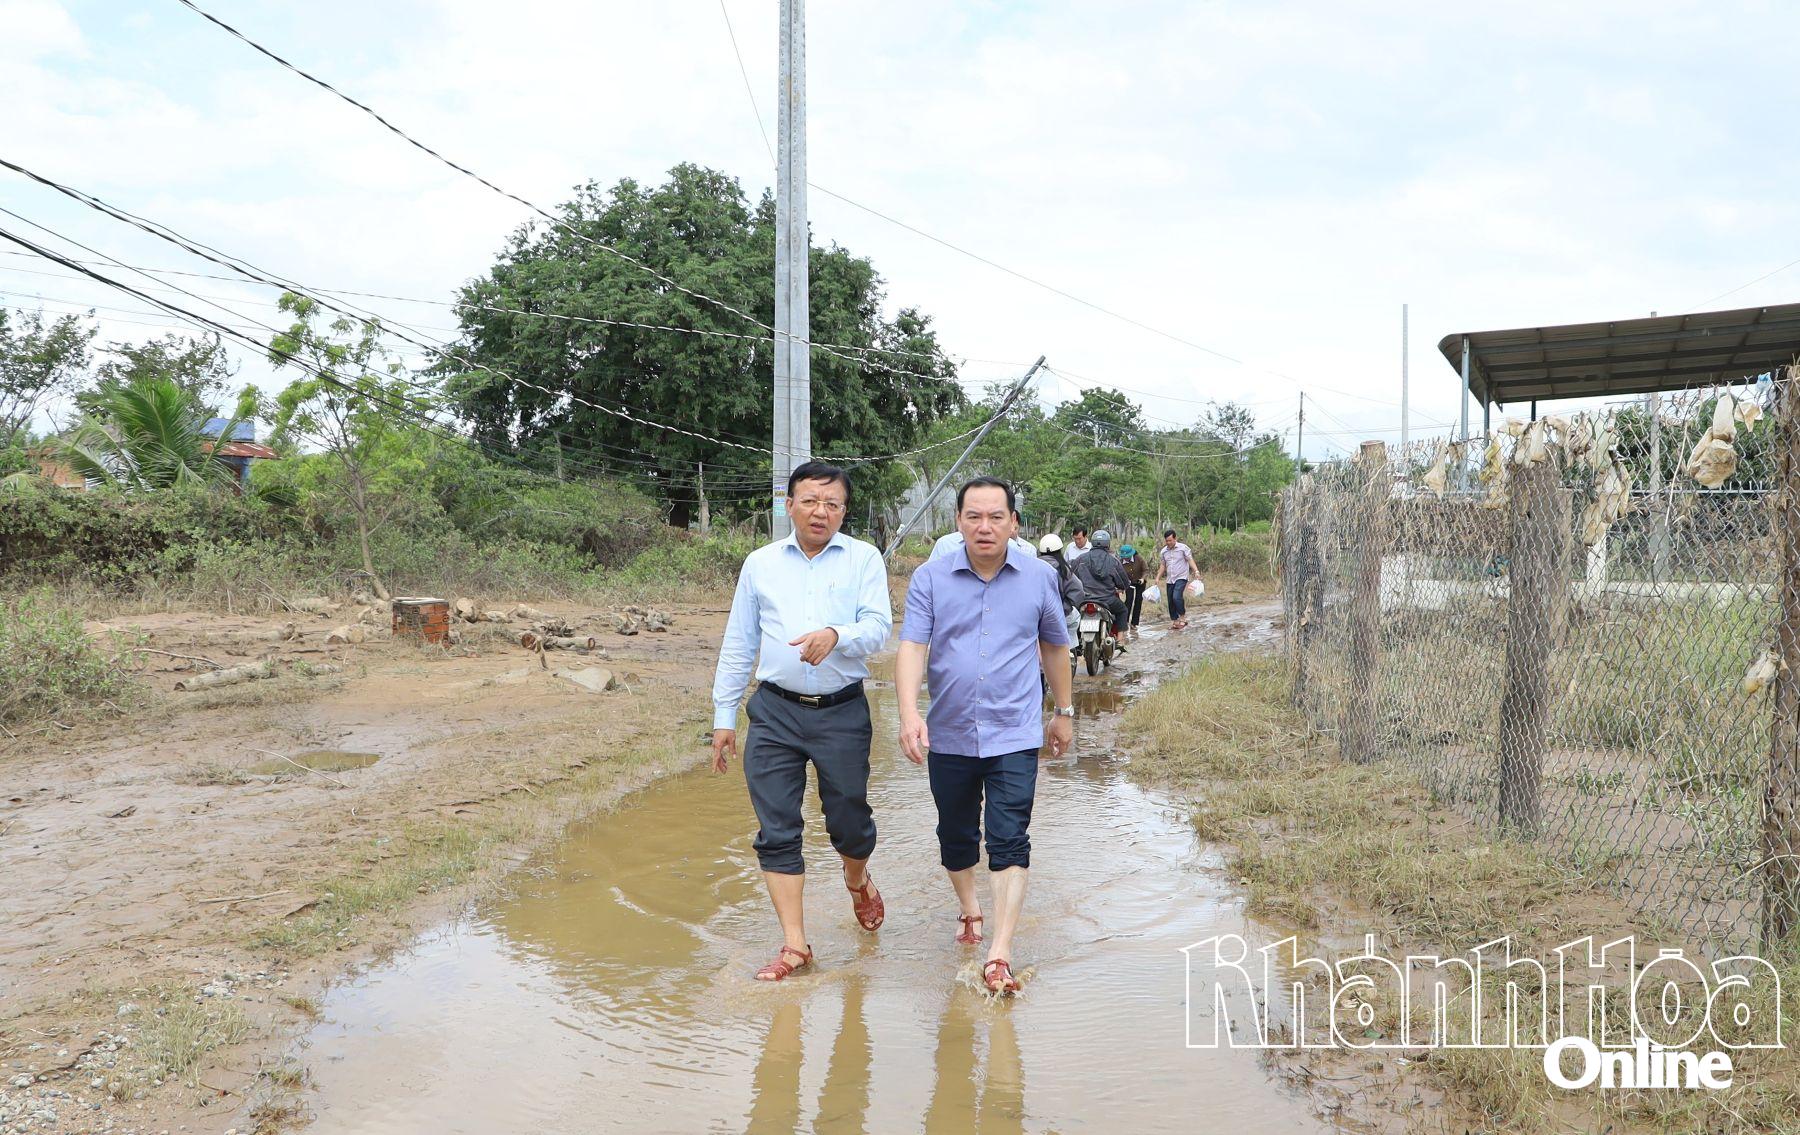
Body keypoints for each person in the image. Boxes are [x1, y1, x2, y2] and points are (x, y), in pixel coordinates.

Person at [711, 461, 894, 982]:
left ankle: (857, 880)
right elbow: (739, 642)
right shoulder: (760, 564)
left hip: (841, 711)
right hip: (773, 712)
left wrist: (837, 634)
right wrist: (724, 716)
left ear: (844, 510)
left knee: (850, 822)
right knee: (776, 829)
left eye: (832, 503)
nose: (821, 512)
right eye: (810, 500)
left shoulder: (864, 559)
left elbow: (879, 627)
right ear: (787, 504)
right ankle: (795, 946)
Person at [897, 476, 1075, 995]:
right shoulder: (929, 578)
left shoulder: (1039, 577)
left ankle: (999, 953)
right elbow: (912, 647)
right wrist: (909, 713)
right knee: (955, 837)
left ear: (1014, 523)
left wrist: (1063, 711)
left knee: (1008, 836)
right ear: (958, 522)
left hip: (1014, 731)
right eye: (974, 516)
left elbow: (1055, 647)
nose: (985, 526)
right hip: (948, 732)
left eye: (996, 516)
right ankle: (970, 908)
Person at [1069, 529, 1130, 647]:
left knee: (1072, 615)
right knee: (1122, 610)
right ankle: (1120, 640)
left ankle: (1074, 642)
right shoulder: (1113, 561)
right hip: (1107, 600)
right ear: (1108, 544)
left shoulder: (1080, 559)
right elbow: (1123, 583)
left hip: (1083, 600)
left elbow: (1071, 579)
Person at [931, 511, 1035, 562]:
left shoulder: (1013, 547)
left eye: (995, 517)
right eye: (974, 517)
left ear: (1012, 521)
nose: (984, 528)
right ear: (959, 519)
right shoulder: (945, 544)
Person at [1037, 533, 1083, 644]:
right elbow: (1078, 590)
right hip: (1059, 613)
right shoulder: (1063, 569)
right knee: (1075, 618)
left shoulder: (1032, 567)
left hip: (1036, 615)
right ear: (1059, 551)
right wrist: (1065, 607)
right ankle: (1070, 650)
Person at [1154, 528, 1202, 631]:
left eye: (1170, 540)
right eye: (1166, 541)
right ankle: (1175, 621)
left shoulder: (1183, 548)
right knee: (1170, 600)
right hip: (1170, 579)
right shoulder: (1164, 551)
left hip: (1181, 577)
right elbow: (1163, 565)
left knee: (1176, 597)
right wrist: (1158, 577)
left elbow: (1190, 560)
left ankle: (1183, 617)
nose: (1168, 543)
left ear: (1175, 539)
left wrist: (1196, 571)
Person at [1119, 544, 1147, 638]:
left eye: (1127, 557)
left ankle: (1134, 623)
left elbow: (1145, 570)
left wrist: (1143, 578)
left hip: (1140, 582)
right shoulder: (1120, 562)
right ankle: (1125, 622)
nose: (1125, 559)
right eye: (1124, 557)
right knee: (1128, 600)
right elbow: (1118, 573)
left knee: (1138, 600)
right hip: (1128, 583)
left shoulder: (1139, 558)